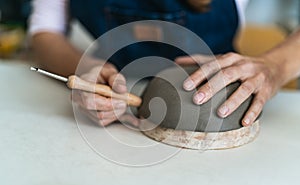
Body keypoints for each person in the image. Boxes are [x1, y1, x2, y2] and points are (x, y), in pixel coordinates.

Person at [29, 0, 300, 127]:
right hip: (122, 99)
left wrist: (275, 66)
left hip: (221, 100)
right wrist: (87, 69)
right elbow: (46, 31)